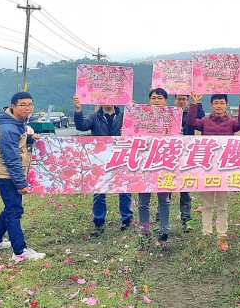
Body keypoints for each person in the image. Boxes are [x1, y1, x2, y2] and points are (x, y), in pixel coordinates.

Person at [0, 92, 46, 261]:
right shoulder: (8, 129)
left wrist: (29, 138)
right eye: (23, 105)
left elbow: (16, 143)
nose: (28, 108)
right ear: (13, 106)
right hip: (6, 176)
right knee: (14, 211)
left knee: (10, 208)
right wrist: (21, 183)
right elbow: (11, 159)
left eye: (30, 104)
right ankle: (19, 251)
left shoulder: (15, 122)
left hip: (6, 174)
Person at [186, 91, 240, 251]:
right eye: (216, 103)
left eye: (222, 103)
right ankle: (206, 234)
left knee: (222, 205)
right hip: (207, 167)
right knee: (206, 205)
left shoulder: (232, 122)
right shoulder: (205, 121)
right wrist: (194, 104)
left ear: (226, 105)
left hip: (224, 168)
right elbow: (191, 123)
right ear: (211, 105)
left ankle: (222, 235)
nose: (219, 106)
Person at [73, 95, 133, 236]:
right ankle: (99, 222)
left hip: (121, 156)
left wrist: (133, 111)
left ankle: (126, 220)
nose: (108, 100)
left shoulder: (124, 116)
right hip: (100, 158)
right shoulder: (95, 117)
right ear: (99, 99)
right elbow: (81, 126)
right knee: (99, 192)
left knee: (124, 189)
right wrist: (78, 110)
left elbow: (135, 129)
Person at [137, 88, 172, 242]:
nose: (156, 101)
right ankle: (144, 230)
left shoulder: (173, 118)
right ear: (149, 100)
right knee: (143, 200)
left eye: (160, 98)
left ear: (165, 101)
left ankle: (164, 230)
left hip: (164, 163)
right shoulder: (139, 117)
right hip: (144, 163)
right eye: (153, 98)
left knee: (164, 200)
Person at [172, 93, 205, 232]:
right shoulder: (168, 114)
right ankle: (159, 220)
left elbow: (202, 120)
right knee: (164, 189)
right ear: (174, 100)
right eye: (179, 99)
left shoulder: (190, 113)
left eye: (184, 99)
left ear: (187, 101)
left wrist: (197, 103)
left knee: (185, 189)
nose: (181, 101)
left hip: (185, 155)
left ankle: (187, 220)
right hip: (168, 155)